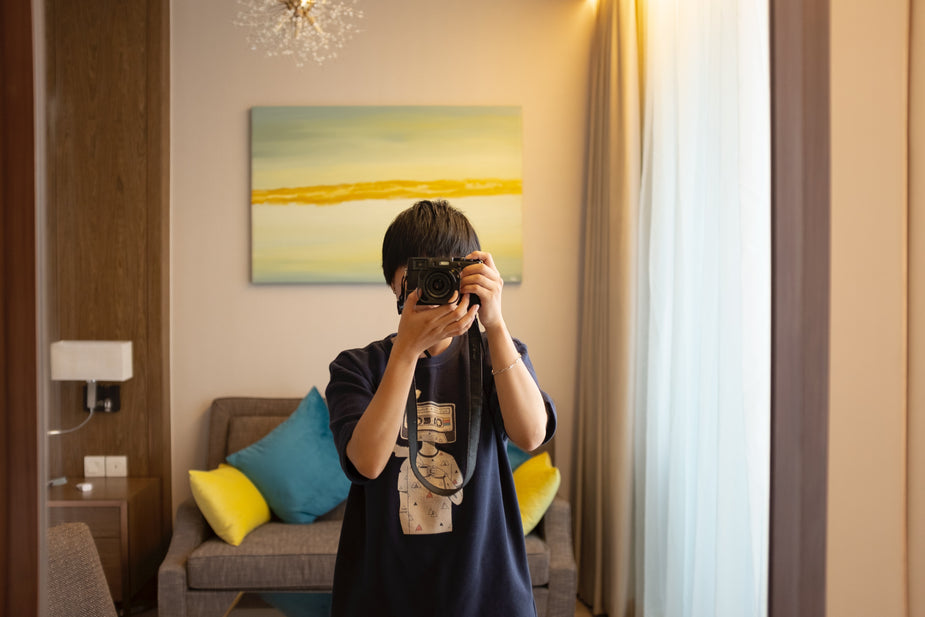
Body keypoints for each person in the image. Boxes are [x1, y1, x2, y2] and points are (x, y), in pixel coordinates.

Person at [325, 199, 557, 617]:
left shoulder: (499, 356)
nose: (434, 287)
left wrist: (496, 324)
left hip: (487, 590)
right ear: (394, 284)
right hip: (383, 594)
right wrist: (406, 351)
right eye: (420, 273)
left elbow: (531, 435)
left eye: (447, 273)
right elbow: (367, 463)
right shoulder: (356, 367)